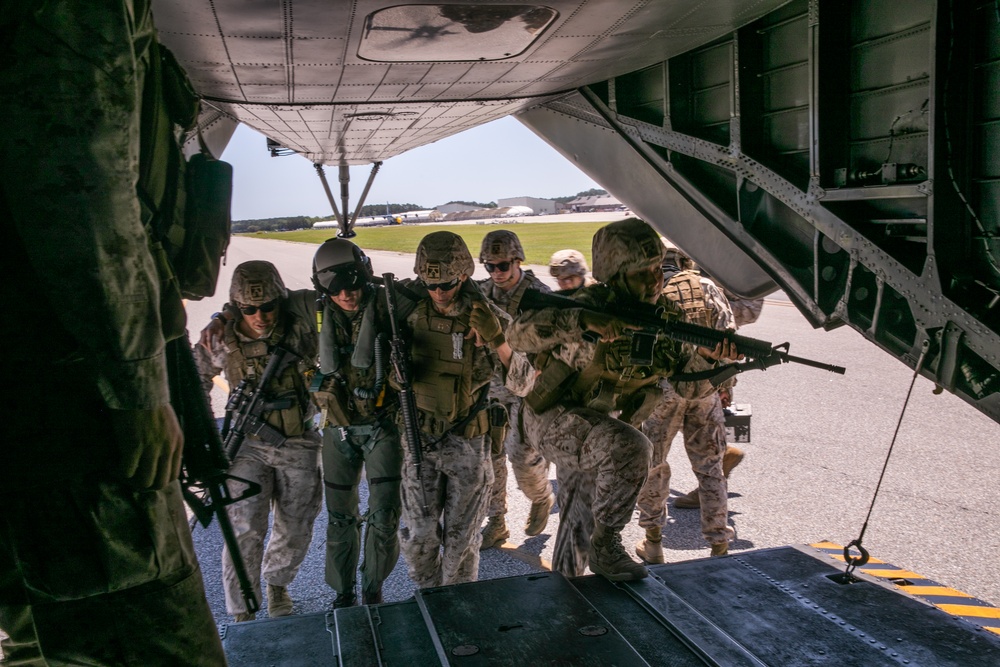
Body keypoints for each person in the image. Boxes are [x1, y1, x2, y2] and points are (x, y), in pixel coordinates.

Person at [1, 2, 226, 664]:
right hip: (73, 391)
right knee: (143, 633)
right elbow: (82, 187)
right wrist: (137, 383)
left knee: (39, 633)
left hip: (32, 385)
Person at [507, 219, 738, 581]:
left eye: (656, 269)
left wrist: (711, 357)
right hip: (554, 420)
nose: (654, 281)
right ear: (615, 274)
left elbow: (689, 388)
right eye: (641, 272)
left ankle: (571, 588)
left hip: (599, 430)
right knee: (633, 447)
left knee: (576, 525)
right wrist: (584, 321)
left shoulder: (666, 318)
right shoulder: (583, 304)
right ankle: (608, 545)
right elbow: (517, 335)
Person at [395, 231, 533, 588]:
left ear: (465, 276)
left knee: (461, 543)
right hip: (419, 440)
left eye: (449, 284)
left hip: (467, 445)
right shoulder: (406, 312)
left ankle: (456, 607)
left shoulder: (486, 317)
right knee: (418, 539)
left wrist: (497, 340)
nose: (439, 293)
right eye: (431, 283)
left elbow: (523, 382)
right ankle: (428, 598)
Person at [194, 261, 323, 622]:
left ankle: (277, 585)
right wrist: (205, 437)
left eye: (268, 306)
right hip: (246, 444)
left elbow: (332, 297)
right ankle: (242, 609)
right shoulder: (222, 336)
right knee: (244, 528)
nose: (260, 316)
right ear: (238, 307)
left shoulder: (299, 325)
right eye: (249, 309)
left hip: (297, 440)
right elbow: (196, 381)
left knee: (297, 523)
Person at [309, 239, 403, 608]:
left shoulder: (391, 304)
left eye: (352, 283)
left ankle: (372, 586)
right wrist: (222, 318)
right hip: (338, 427)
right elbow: (261, 309)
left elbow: (440, 297)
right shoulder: (312, 311)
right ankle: (343, 591)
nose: (346, 294)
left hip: (381, 426)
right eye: (335, 288)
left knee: (384, 514)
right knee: (340, 516)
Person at [633, 240, 740, 562]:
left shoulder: (648, 292)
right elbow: (730, 340)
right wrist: (727, 388)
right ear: (683, 260)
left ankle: (653, 542)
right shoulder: (707, 286)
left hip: (662, 394)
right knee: (710, 470)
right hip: (706, 391)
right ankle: (719, 543)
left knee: (653, 468)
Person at [476, 230, 556, 550]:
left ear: (517, 260)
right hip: (490, 391)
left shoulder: (539, 296)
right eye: (490, 266)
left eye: (503, 266)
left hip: (528, 391)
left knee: (522, 458)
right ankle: (496, 522)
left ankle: (541, 497)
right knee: (489, 460)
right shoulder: (481, 293)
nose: (497, 273)